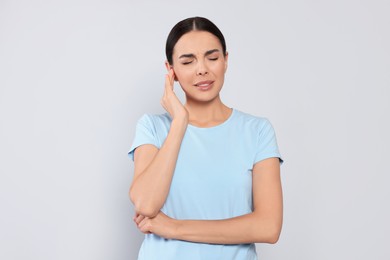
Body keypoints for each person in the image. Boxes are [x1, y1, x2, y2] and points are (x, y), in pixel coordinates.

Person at [128, 16, 284, 260]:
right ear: (172, 71)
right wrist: (180, 123)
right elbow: (146, 205)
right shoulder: (153, 128)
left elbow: (268, 227)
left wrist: (175, 227)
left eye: (212, 58)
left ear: (225, 61)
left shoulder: (257, 131)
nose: (202, 69)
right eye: (188, 61)